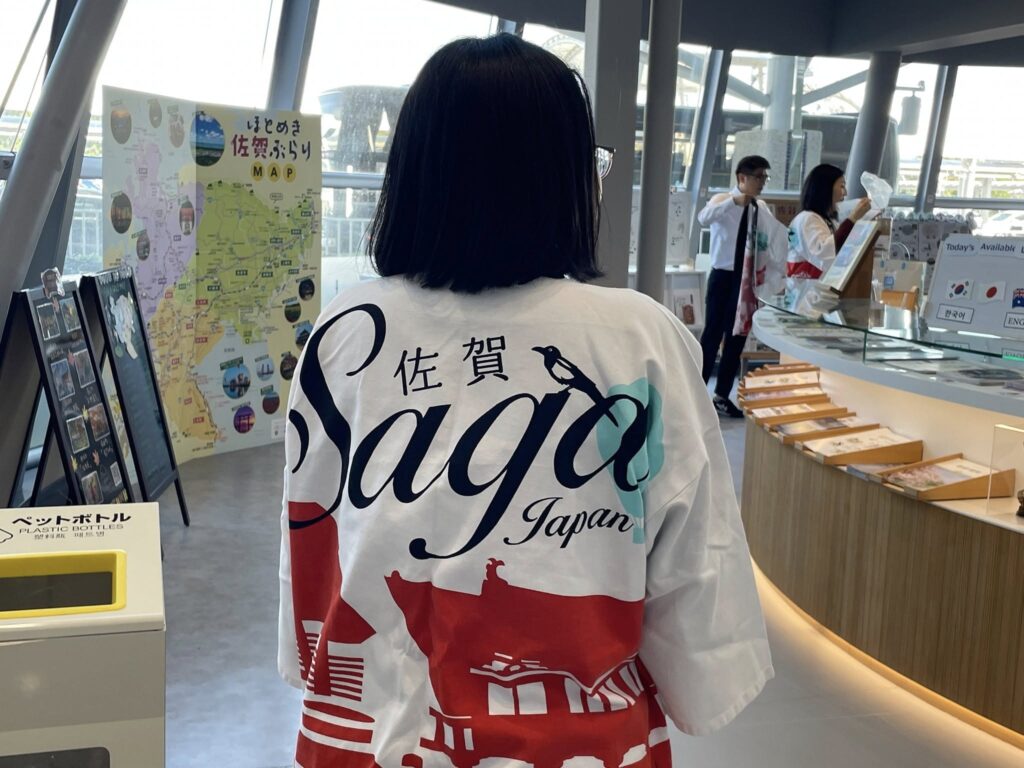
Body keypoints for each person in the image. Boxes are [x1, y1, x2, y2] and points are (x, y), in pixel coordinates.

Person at [279, 34, 771, 768]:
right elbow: (697, 574)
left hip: (373, 736)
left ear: (412, 172)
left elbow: (312, 536)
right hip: (587, 743)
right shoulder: (639, 339)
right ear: (565, 176)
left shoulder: (349, 331)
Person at [697, 155, 781, 418]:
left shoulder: (761, 207)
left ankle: (722, 395)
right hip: (722, 276)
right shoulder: (722, 200)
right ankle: (697, 392)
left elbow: (770, 239)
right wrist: (733, 202)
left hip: (747, 278)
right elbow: (703, 218)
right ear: (742, 178)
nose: (762, 182)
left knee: (737, 336)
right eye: (758, 177)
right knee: (713, 333)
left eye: (765, 177)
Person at [787, 164, 872, 279]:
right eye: (842, 186)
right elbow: (825, 253)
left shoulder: (826, 220)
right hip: (805, 288)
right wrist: (852, 218)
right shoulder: (807, 219)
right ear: (825, 188)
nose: (845, 193)